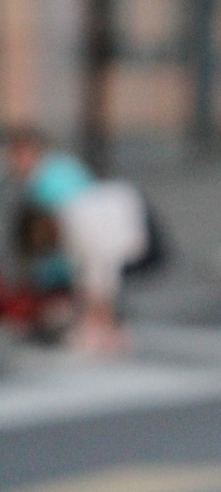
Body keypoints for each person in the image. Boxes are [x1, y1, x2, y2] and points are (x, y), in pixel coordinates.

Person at [6, 129, 148, 354]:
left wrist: (46, 275)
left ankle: (100, 327)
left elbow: (59, 231)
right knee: (98, 279)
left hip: (93, 234)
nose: (15, 164)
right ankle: (102, 326)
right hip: (102, 227)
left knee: (95, 280)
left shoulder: (46, 183)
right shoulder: (61, 169)